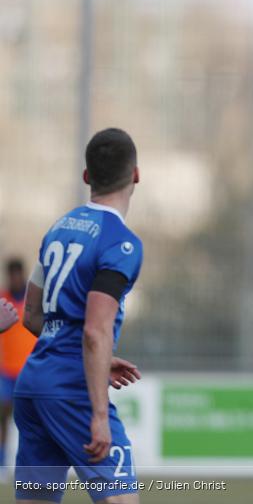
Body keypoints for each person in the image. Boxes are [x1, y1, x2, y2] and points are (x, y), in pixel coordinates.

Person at [14, 128, 143, 503]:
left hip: (33, 387)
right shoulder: (120, 243)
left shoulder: (58, 230)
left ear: (87, 176)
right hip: (73, 393)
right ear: (135, 174)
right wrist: (99, 415)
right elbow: (93, 331)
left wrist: (98, 360)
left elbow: (32, 315)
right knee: (120, 500)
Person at [0, 258, 38, 471]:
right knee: (2, 418)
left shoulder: (32, 299)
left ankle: (28, 464)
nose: (14, 279)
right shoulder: (2, 299)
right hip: (5, 370)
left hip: (29, 369)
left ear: (22, 274)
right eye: (11, 275)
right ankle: (1, 464)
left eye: (17, 274)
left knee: (29, 421)